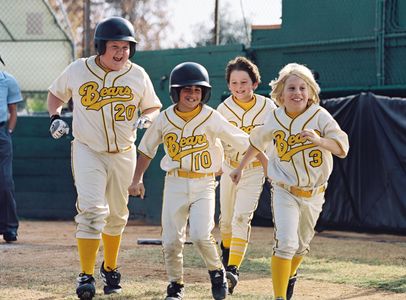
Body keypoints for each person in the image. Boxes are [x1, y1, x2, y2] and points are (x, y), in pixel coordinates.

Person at [47, 17, 162, 300]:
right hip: (88, 150)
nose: (121, 52)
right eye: (115, 46)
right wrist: (55, 116)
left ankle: (110, 268)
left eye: (126, 47)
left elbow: (153, 107)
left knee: (117, 215)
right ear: (101, 46)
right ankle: (85, 274)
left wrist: (147, 118)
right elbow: (55, 94)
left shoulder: (137, 74)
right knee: (92, 211)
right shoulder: (78, 69)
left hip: (124, 152)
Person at [128, 62, 251, 300]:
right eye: (186, 89)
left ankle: (217, 273)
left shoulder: (210, 117)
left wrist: (265, 160)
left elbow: (244, 141)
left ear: (204, 92)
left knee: (200, 234)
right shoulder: (164, 119)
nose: (192, 94)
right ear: (175, 92)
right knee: (171, 239)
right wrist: (137, 178)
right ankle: (175, 285)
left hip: (204, 183)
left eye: (197, 90)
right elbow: (146, 150)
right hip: (175, 181)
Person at [230, 63, 349, 300]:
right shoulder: (274, 118)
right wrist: (240, 168)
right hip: (284, 190)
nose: (297, 93)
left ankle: (289, 275)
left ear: (311, 92)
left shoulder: (319, 116)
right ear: (281, 94)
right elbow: (256, 142)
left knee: (301, 246)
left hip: (314, 193)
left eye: (302, 88)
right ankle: (279, 297)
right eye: (291, 88)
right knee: (285, 242)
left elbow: (342, 148)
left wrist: (320, 141)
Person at [216, 56, 277, 294]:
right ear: (228, 84)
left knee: (242, 217)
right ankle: (225, 259)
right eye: (234, 83)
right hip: (229, 168)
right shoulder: (223, 108)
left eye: (244, 82)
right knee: (226, 221)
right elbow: (218, 140)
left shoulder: (267, 107)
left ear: (254, 82)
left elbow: (269, 140)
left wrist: (268, 167)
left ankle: (233, 269)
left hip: (252, 171)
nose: (239, 87)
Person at [0, 55, 23, 243]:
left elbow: (13, 110)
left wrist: (8, 131)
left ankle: (10, 228)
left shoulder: (8, 81)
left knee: (5, 182)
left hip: (1, 134)